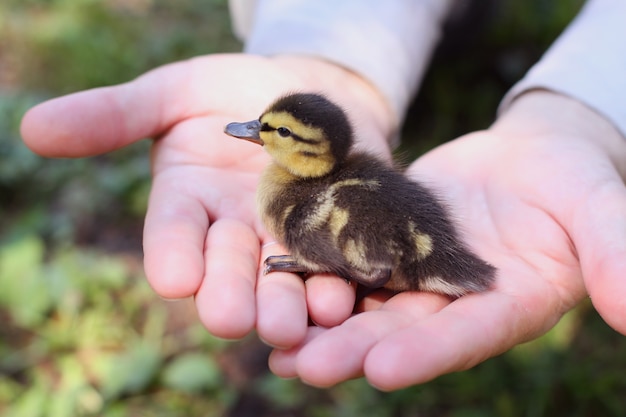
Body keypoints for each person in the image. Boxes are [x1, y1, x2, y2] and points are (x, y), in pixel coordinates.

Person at [20, 0, 626, 390]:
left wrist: (588, 110)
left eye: (275, 132)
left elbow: (367, 228)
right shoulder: (340, 180)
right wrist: (338, 45)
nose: (256, 134)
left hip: (387, 252)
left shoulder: (310, 202)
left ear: (310, 152)